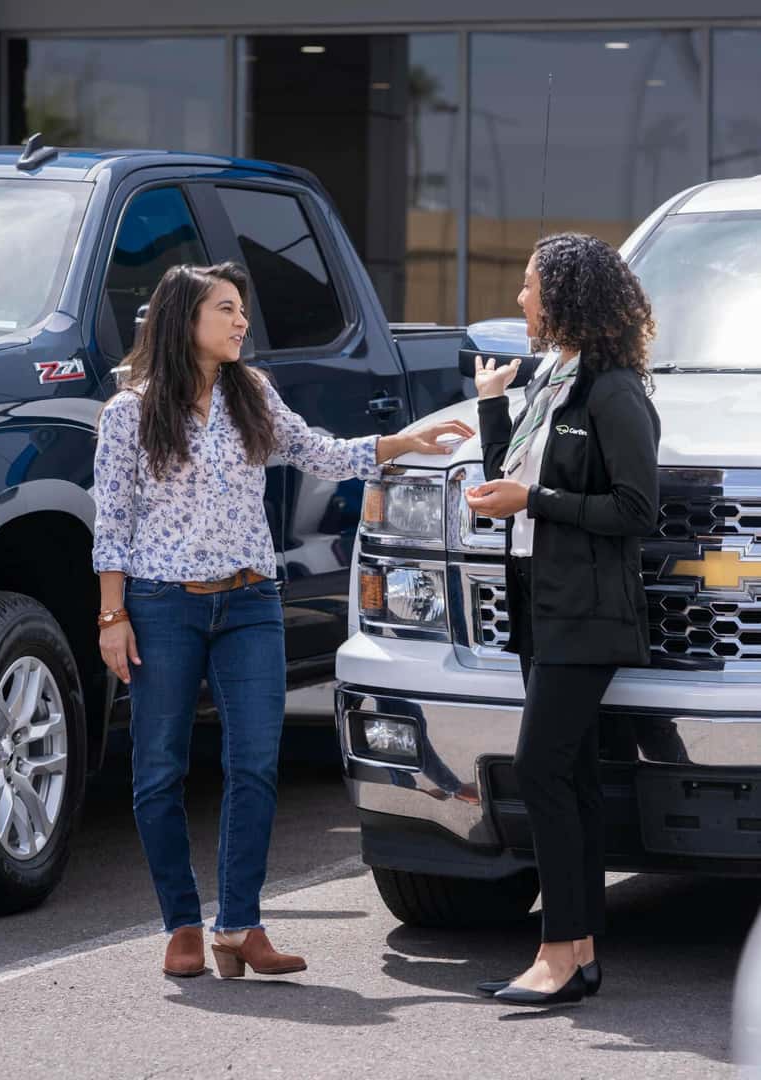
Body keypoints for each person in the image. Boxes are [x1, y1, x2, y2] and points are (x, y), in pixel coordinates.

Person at [92, 261, 472, 979]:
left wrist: (400, 445)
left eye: (242, 311)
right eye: (227, 309)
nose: (242, 323)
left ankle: (238, 925)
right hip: (161, 605)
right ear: (185, 319)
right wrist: (113, 615)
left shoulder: (253, 395)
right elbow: (113, 523)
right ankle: (180, 922)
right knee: (158, 770)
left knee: (254, 763)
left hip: (250, 602)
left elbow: (321, 453)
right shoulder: (130, 412)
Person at [465, 233, 660, 1007]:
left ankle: (555, 950)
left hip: (587, 611)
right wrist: (491, 409)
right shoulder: (554, 383)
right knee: (568, 775)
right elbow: (505, 485)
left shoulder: (615, 393)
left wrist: (535, 501)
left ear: (568, 297)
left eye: (529, 286)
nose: (520, 300)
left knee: (541, 768)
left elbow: (635, 509)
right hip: (537, 604)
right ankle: (578, 952)